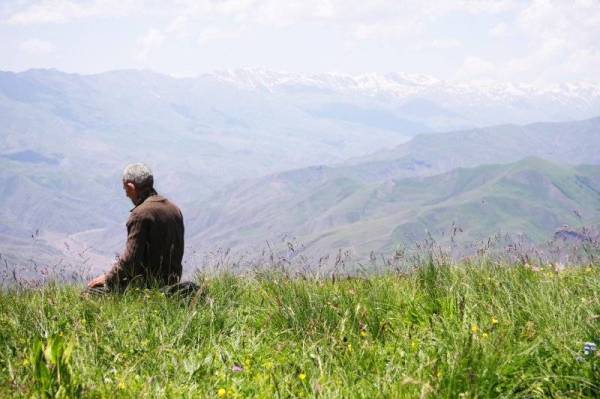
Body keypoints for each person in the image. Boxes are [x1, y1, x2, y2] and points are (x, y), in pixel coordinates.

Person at [86, 163, 185, 292]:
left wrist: (108, 278)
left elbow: (130, 261)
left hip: (147, 288)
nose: (126, 194)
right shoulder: (174, 209)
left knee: (89, 294)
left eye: (125, 189)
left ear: (131, 187)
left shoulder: (140, 214)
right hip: (173, 283)